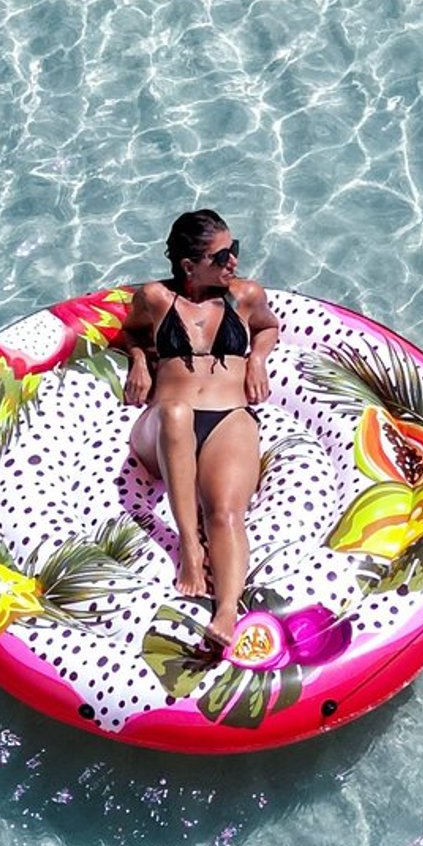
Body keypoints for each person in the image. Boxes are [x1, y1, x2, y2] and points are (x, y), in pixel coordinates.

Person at [120, 210, 279, 645]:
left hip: (228, 416)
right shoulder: (154, 298)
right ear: (189, 266)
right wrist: (139, 361)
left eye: (235, 250)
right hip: (164, 427)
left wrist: (258, 360)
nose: (234, 262)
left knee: (225, 513)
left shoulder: (245, 295)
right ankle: (189, 544)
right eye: (222, 255)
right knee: (176, 413)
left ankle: (226, 610)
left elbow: (267, 327)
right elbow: (130, 333)